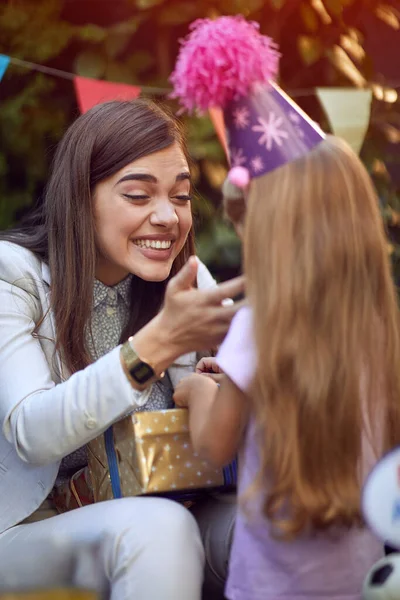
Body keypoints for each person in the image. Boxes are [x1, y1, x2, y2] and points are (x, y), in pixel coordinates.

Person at [170, 15, 400, 600]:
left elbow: (217, 446)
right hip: (362, 578)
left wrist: (199, 393)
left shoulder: (258, 324)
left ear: (274, 233)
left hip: (269, 584)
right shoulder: (376, 327)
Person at [0, 98, 244, 599]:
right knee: (157, 529)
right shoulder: (13, 275)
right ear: (79, 197)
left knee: (287, 518)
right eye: (137, 195)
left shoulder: (185, 282)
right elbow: (32, 432)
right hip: (29, 531)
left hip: (176, 504)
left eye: (180, 197)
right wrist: (156, 345)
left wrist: (223, 387)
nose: (168, 218)